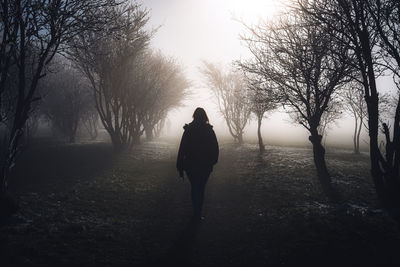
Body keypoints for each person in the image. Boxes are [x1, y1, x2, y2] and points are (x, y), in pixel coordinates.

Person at [176, 107, 219, 221]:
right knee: (201, 188)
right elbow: (215, 148)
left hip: (190, 165)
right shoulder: (209, 130)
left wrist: (180, 165)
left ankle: (196, 212)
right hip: (205, 165)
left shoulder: (189, 130)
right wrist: (212, 161)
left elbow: (182, 148)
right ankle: (198, 213)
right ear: (205, 116)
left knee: (195, 187)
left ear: (194, 116)